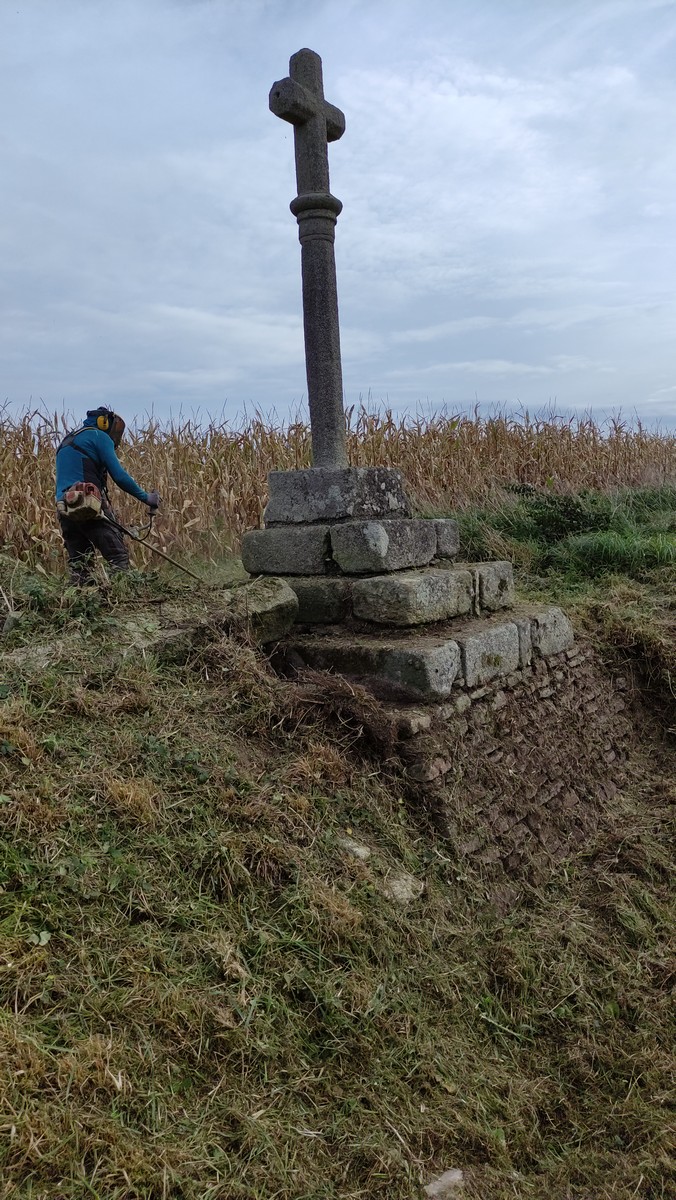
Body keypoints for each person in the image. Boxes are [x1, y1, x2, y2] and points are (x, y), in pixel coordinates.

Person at [55, 407, 160, 584]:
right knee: (117, 557)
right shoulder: (99, 437)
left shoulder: (67, 440)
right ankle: (122, 601)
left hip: (64, 506)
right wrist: (145, 497)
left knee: (80, 565)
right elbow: (119, 476)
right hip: (88, 503)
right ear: (104, 423)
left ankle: (78, 604)